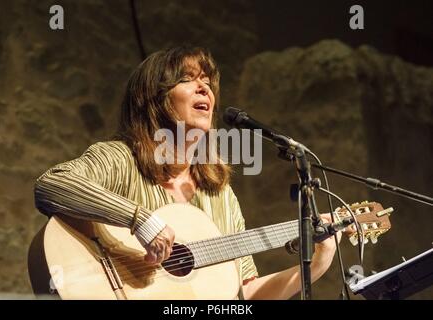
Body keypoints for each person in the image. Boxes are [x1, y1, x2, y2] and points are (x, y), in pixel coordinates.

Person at [34, 46, 340, 300]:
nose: (204, 87)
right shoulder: (120, 159)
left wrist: (315, 265)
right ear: (154, 99)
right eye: (187, 79)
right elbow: (52, 184)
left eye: (207, 81)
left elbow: (243, 294)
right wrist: (139, 219)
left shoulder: (219, 194)